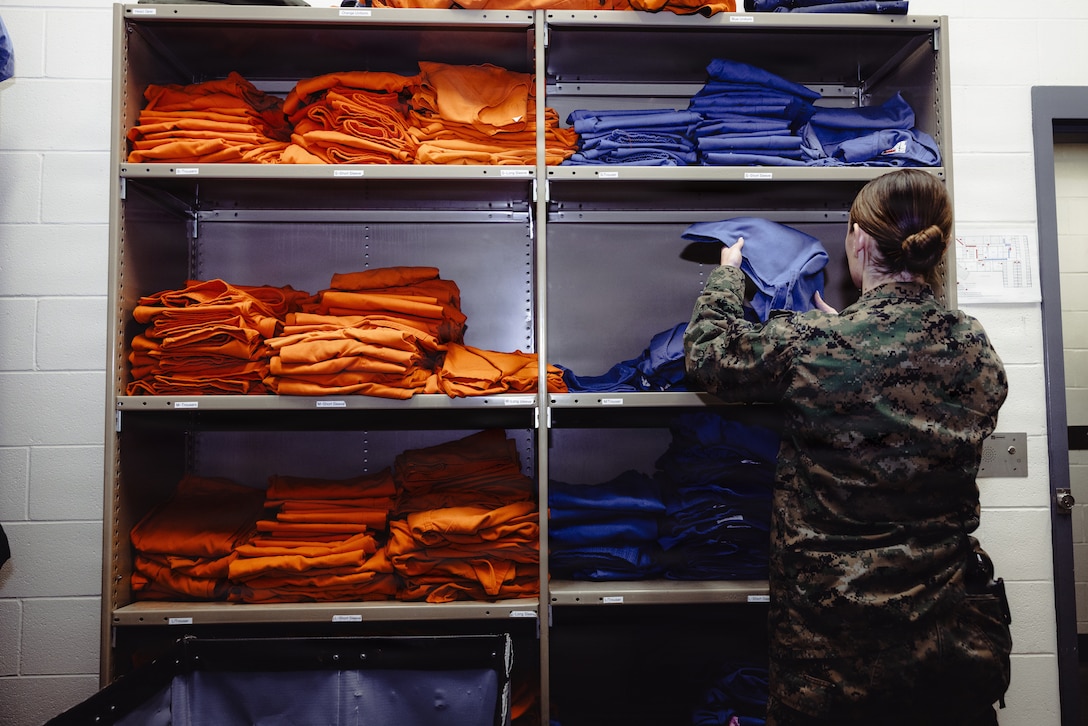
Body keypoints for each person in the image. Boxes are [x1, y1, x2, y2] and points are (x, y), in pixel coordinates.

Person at [683, 168, 1012, 725]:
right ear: (940, 244)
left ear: (859, 240)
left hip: (831, 654)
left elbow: (710, 357)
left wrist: (727, 277)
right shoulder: (974, 345)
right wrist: (854, 343)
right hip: (946, 651)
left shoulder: (813, 343)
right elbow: (906, 400)